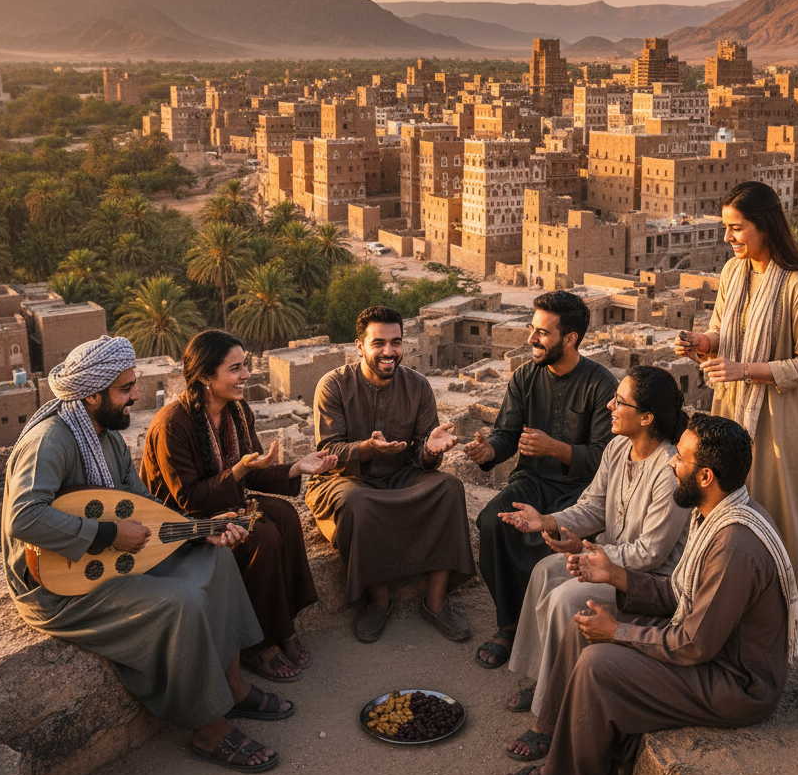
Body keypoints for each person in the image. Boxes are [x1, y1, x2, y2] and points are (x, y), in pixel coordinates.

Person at [1, 336, 292, 774]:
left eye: (134, 385)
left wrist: (199, 533)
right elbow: (23, 518)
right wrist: (107, 533)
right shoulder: (51, 441)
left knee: (217, 561)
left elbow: (147, 513)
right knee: (183, 602)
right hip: (58, 586)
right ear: (92, 394)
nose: (136, 396)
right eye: (125, 389)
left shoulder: (109, 441)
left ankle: (232, 687)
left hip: (107, 558)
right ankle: (208, 730)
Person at [502, 413, 798, 775]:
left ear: (705, 475)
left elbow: (694, 644)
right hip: (711, 652)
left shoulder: (733, 545)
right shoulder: (715, 510)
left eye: (680, 459)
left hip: (735, 682)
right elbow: (679, 595)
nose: (672, 464)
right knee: (582, 624)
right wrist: (615, 576)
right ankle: (557, 749)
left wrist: (618, 632)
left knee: (597, 666)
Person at [141, 329, 338, 682]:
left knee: (286, 515)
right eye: (235, 368)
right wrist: (241, 468)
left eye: (245, 365)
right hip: (182, 523)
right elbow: (188, 498)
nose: (246, 375)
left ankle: (281, 626)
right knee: (261, 536)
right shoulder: (173, 424)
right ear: (205, 376)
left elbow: (254, 475)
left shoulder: (237, 410)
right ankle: (254, 644)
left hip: (226, 501)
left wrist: (296, 467)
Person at [674, 180, 798, 631]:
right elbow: (722, 331)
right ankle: (728, 607)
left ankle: (792, 620)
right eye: (726, 228)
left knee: (780, 516)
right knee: (725, 511)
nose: (729, 238)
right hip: (733, 411)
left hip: (782, 424)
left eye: (737, 228)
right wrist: (703, 342)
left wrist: (745, 369)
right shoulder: (732, 274)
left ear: (765, 226)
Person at [501, 366, 690, 729]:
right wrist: (548, 521)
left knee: (565, 599)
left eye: (620, 401)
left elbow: (650, 554)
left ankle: (552, 711)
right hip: (607, 558)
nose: (610, 406)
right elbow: (592, 506)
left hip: (640, 577)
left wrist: (592, 556)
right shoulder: (619, 447)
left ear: (647, 417)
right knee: (544, 572)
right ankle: (542, 678)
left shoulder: (668, 472)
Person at [464, 291, 617, 669]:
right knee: (492, 522)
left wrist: (557, 448)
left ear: (570, 339)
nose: (532, 339)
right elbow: (506, 433)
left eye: (542, 333)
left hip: (581, 491)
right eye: (532, 330)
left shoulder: (601, 385)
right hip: (531, 481)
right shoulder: (524, 377)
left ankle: (547, 629)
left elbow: (604, 457)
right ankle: (509, 624)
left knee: (554, 542)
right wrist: (489, 452)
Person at [306, 305, 476, 643]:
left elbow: (422, 456)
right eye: (379, 343)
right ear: (360, 346)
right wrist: (369, 448)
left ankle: (436, 602)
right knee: (358, 504)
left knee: (449, 489)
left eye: (396, 342)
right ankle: (378, 600)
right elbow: (328, 455)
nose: (389, 352)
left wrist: (430, 450)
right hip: (343, 480)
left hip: (400, 476)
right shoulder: (333, 386)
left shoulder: (418, 386)